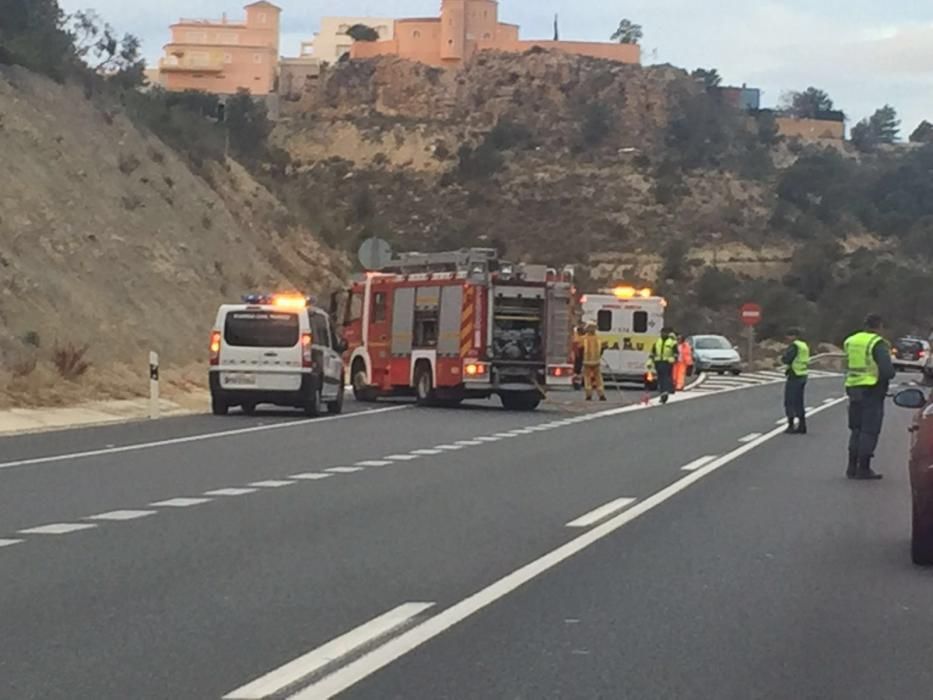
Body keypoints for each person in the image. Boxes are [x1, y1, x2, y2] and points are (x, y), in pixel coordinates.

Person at [844, 314, 896, 480]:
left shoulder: (851, 340)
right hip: (872, 390)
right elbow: (887, 371)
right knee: (869, 430)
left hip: (853, 388)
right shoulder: (877, 343)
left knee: (856, 428)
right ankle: (863, 468)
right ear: (879, 326)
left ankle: (851, 466)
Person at [781, 328, 810, 435]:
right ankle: (802, 425)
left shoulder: (795, 346)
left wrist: (783, 358)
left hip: (794, 375)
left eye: (789, 336)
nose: (787, 338)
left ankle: (791, 425)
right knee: (799, 401)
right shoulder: (804, 345)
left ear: (793, 336)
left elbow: (787, 359)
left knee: (790, 401)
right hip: (803, 375)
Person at [651, 327, 679, 404]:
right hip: (658, 362)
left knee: (665, 378)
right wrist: (651, 360)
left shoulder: (672, 342)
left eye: (665, 333)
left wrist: (673, 360)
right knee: (660, 379)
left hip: (667, 363)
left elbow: (676, 353)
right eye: (662, 333)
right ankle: (663, 392)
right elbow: (653, 352)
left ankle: (665, 393)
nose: (663, 334)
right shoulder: (657, 341)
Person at [581, 323, 607, 401]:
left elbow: (580, 349)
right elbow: (602, 348)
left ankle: (588, 395)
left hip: (586, 362)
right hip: (596, 362)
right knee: (598, 379)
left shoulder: (584, 339)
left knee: (587, 379)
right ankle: (601, 395)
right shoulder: (599, 339)